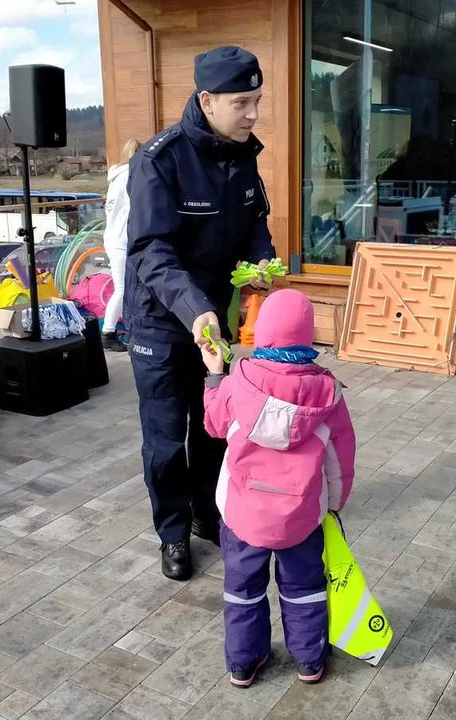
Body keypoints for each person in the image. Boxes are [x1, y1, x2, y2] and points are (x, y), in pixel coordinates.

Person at [124, 46, 275, 581]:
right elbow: (150, 252)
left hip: (214, 320)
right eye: (242, 103)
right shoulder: (158, 160)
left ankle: (207, 515)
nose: (253, 114)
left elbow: (255, 222)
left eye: (257, 100)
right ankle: (171, 532)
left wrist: (261, 261)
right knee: (166, 436)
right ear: (207, 101)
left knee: (214, 427)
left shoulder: (243, 154)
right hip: (164, 323)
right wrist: (195, 311)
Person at [200, 289, 356, 688]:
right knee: (305, 588)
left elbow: (215, 426)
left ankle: (243, 662)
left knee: (242, 589)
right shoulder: (328, 393)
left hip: (241, 516)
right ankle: (308, 659)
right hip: (302, 517)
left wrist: (215, 374)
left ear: (262, 331)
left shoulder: (238, 382)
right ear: (308, 337)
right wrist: (333, 505)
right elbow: (341, 458)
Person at [102, 138, 142, 352]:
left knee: (127, 288)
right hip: (122, 241)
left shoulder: (116, 177)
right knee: (123, 289)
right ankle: (108, 332)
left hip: (112, 238)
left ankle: (125, 328)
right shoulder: (133, 176)